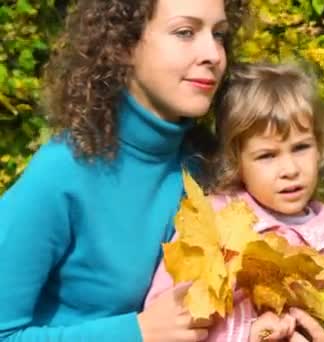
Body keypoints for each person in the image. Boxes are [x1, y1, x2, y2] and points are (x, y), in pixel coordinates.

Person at [0, 0, 245, 340]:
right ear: (125, 44)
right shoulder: (62, 171)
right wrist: (136, 332)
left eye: (219, 35)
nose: (213, 54)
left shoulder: (212, 166)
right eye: (185, 32)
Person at [145, 62, 324, 341]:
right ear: (236, 161)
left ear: (319, 147)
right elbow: (164, 319)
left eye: (301, 147)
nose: (290, 169)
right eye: (267, 156)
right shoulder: (212, 223)